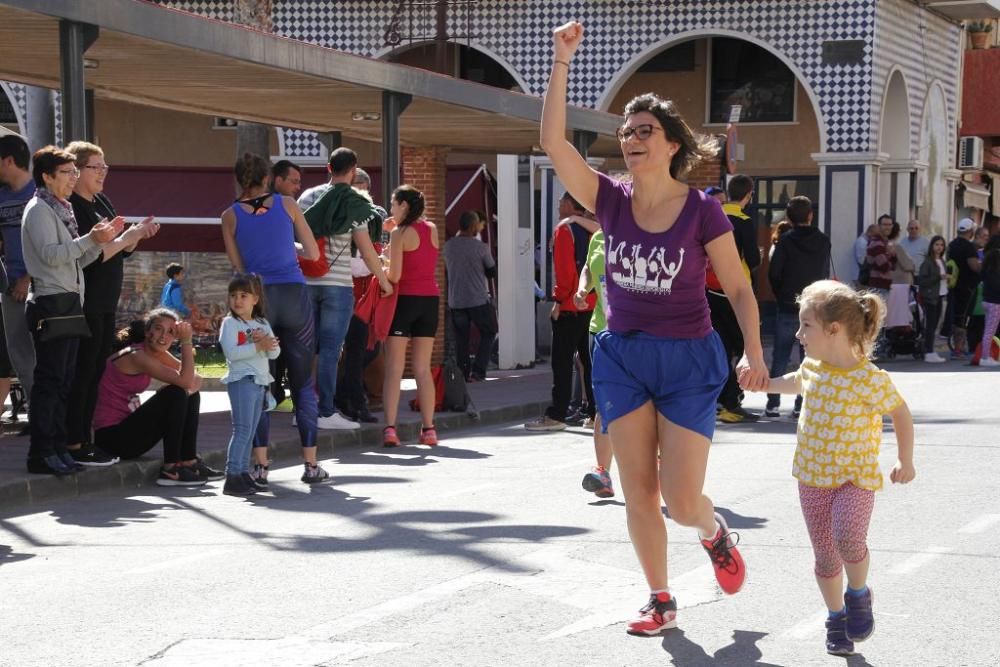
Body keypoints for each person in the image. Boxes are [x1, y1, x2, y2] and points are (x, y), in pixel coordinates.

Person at [540, 21, 767, 636]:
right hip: (624, 357)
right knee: (639, 492)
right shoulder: (610, 199)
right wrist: (562, 62)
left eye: (645, 130)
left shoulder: (702, 209)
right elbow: (555, 142)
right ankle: (661, 598)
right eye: (626, 131)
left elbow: (739, 287)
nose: (632, 139)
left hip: (689, 360)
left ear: (671, 145)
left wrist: (754, 352)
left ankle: (714, 533)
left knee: (682, 498)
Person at [750, 280, 914, 656]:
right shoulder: (813, 366)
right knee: (825, 556)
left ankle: (858, 594)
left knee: (848, 539)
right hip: (811, 477)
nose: (798, 333)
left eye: (806, 325)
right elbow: (796, 382)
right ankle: (835, 616)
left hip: (854, 478)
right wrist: (765, 386)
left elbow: (901, 414)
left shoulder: (870, 379)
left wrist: (905, 459)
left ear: (833, 330)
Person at [220, 152, 331, 485]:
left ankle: (261, 466)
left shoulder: (229, 215)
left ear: (239, 179)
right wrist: (288, 248)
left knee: (260, 382)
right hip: (294, 296)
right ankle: (311, 466)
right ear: (268, 179)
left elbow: (239, 267)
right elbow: (313, 253)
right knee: (303, 385)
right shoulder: (287, 204)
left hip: (259, 300)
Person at [65, 140, 158, 466]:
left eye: (105, 166)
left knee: (96, 372)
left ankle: (87, 439)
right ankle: (75, 442)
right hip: (86, 302)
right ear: (76, 171)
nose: (103, 172)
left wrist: (135, 236)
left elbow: (118, 247)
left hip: (107, 302)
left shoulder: (101, 201)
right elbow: (93, 257)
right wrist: (125, 239)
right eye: (96, 166)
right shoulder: (73, 207)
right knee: (83, 373)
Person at [298, 147, 390, 430]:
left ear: (328, 167)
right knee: (330, 350)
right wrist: (384, 281)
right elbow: (366, 248)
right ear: (353, 170)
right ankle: (326, 411)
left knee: (305, 348)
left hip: (307, 280)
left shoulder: (306, 198)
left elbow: (298, 238)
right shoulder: (355, 203)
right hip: (337, 284)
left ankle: (303, 408)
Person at [93, 309, 221, 485]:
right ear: (148, 332)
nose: (164, 336)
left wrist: (181, 396)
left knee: (186, 395)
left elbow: (196, 379)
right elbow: (185, 381)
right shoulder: (136, 355)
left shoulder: (155, 352)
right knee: (176, 392)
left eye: (170, 332)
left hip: (129, 432)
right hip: (111, 439)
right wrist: (186, 342)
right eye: (159, 329)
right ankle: (170, 470)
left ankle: (189, 461)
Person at [524, 191, 596, 430]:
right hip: (594, 305)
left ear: (567, 204)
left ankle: (557, 414)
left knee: (562, 363)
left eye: (560, 202)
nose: (558, 206)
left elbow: (565, 272)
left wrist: (557, 301)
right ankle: (595, 414)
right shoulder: (595, 230)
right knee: (590, 362)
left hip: (570, 306)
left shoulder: (564, 230)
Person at [382, 185, 440, 447]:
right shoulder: (432, 229)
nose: (391, 209)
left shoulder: (398, 233)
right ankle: (429, 429)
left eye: (394, 204)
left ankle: (390, 429)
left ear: (404, 205)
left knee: (394, 367)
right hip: (429, 300)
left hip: (404, 300)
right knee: (422, 368)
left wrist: (382, 261)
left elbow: (395, 276)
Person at [766, 195, 829, 418]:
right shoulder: (822, 240)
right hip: (813, 306)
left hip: (787, 304)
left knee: (780, 355)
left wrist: (781, 293)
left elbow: (774, 273)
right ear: (810, 215)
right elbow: (824, 272)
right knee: (809, 357)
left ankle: (773, 402)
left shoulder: (785, 241)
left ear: (789, 218)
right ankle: (801, 403)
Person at [335, 166, 390, 423]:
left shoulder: (374, 215)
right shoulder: (337, 212)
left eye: (360, 184)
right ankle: (348, 398)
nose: (356, 188)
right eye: (353, 183)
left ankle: (360, 397)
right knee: (343, 348)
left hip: (366, 287)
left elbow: (372, 252)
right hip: (342, 285)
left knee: (366, 345)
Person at [219, 274, 280, 496]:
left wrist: (266, 342)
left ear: (255, 299)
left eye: (243, 296)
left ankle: (242, 472)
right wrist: (257, 346)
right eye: (233, 295)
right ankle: (232, 475)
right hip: (241, 381)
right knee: (242, 429)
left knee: (251, 429)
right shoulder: (230, 323)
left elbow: (274, 351)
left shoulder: (262, 323)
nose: (238, 300)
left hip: (259, 383)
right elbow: (232, 353)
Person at [707, 173, 761, 423]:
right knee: (744, 347)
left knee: (722, 347)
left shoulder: (714, 215)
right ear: (749, 195)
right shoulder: (744, 220)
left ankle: (724, 399)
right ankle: (731, 401)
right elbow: (754, 260)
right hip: (736, 293)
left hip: (710, 290)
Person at [574, 226, 614, 497]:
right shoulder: (598, 236)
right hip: (601, 330)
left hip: (639, 335)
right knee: (604, 403)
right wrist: (582, 288)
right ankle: (603, 473)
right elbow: (589, 266)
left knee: (648, 404)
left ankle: (659, 463)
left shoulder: (647, 233)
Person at [0, 134, 39, 404]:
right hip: (11, 289)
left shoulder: (41, 193)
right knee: (20, 356)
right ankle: (39, 414)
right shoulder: (1, 196)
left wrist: (29, 278)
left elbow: (58, 246)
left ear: (9, 161)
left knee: (46, 356)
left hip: (42, 288)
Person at [444, 210, 497, 382]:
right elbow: (491, 271)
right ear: (474, 226)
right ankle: (478, 371)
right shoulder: (481, 248)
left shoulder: (448, 246)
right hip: (477, 299)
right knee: (489, 332)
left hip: (456, 300)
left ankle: (462, 373)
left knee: (461, 340)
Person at [946, 218, 981, 358]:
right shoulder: (969, 247)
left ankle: (958, 347)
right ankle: (958, 349)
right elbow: (974, 266)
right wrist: (984, 265)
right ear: (971, 231)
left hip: (953, 285)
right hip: (967, 287)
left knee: (957, 317)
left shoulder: (952, 245)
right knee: (963, 317)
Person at [916, 235, 948, 363]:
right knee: (931, 324)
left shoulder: (942, 260)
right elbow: (922, 281)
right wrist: (939, 277)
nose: (939, 247)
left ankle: (930, 350)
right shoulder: (928, 262)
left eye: (941, 245)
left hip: (940, 294)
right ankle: (929, 352)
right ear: (932, 246)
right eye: (937, 245)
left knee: (935, 325)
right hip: (931, 297)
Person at [885, 221, 915, 329]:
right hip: (901, 284)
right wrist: (913, 264)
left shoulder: (884, 245)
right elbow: (908, 265)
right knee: (901, 315)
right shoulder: (896, 246)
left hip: (891, 282)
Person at [977, 241, 1000, 367]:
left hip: (986, 302)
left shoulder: (986, 271)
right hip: (995, 304)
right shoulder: (996, 274)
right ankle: (985, 357)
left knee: (987, 330)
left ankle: (986, 355)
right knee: (990, 331)